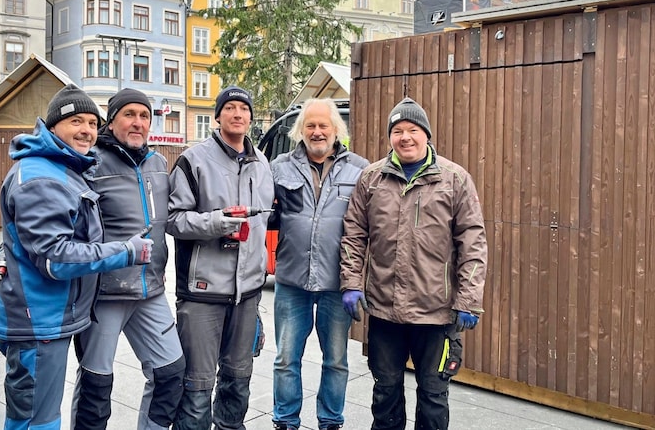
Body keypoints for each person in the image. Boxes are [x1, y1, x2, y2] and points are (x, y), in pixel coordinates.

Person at [0, 84, 154, 430]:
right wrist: (125, 250)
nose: (87, 130)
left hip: (44, 319)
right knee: (37, 420)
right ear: (52, 128)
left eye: (93, 123)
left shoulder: (61, 168)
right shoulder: (40, 176)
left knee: (35, 414)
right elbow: (56, 258)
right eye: (76, 121)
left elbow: (31, 240)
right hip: (38, 323)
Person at [339, 97, 487, 430]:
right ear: (390, 136)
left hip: (437, 313)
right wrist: (350, 283)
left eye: (413, 129)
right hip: (385, 311)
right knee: (385, 392)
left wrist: (469, 300)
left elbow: (473, 242)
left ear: (426, 135)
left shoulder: (454, 180)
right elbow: (353, 235)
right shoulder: (371, 179)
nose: (405, 137)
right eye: (398, 130)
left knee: (434, 396)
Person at [71, 88, 185, 430]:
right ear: (113, 119)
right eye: (129, 114)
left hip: (149, 289)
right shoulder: (89, 161)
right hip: (104, 292)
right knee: (96, 386)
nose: (138, 122)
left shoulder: (159, 163)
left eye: (144, 116)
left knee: (171, 373)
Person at [166, 85, 274, 430]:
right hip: (202, 292)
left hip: (247, 293)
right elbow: (172, 219)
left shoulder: (263, 165)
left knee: (237, 379)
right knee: (197, 385)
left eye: (244, 108)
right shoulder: (193, 160)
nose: (238, 114)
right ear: (217, 116)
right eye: (230, 107)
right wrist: (216, 221)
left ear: (251, 118)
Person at [269, 98, 368, 430]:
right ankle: (285, 420)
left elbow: (367, 226)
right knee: (285, 359)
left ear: (336, 129)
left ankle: (330, 421)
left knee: (337, 360)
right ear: (300, 130)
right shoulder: (279, 166)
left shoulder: (360, 168)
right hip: (291, 280)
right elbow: (266, 216)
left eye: (323, 125)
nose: (317, 131)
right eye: (310, 125)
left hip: (336, 284)